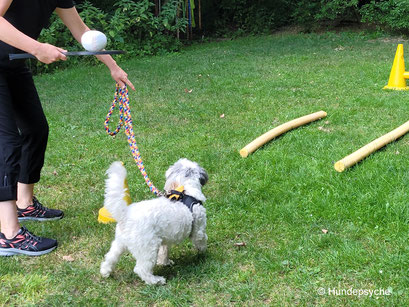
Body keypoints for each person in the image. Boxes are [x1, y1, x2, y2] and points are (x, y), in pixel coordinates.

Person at [0, 0, 135, 256]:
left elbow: (82, 31)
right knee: (6, 143)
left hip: (13, 64)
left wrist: (113, 68)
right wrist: (37, 48)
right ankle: (9, 234)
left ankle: (25, 203)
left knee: (36, 130)